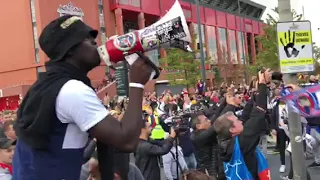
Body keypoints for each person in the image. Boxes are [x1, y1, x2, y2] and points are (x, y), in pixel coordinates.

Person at [13, 15, 153, 180]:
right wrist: (137, 84)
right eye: (88, 40)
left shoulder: (50, 85)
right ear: (69, 49)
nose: (96, 43)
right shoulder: (72, 90)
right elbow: (127, 141)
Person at [213, 69, 272, 179]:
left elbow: (245, 116)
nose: (240, 120)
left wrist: (255, 93)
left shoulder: (223, 141)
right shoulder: (242, 142)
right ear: (232, 130)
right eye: (237, 120)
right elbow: (258, 113)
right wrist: (262, 85)